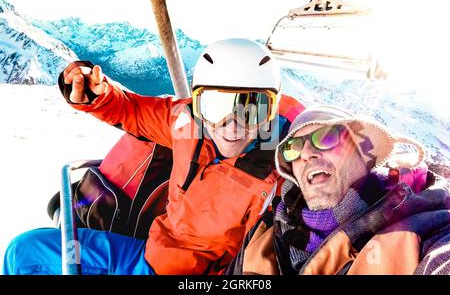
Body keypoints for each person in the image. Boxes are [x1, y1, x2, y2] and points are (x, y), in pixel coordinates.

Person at [3, 38, 304, 275]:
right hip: (145, 254)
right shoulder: (187, 123)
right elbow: (132, 110)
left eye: (253, 108)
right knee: (24, 252)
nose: (232, 125)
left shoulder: (281, 169)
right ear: (198, 102)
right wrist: (96, 94)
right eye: (215, 105)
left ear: (273, 109)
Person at [226, 105, 450, 275]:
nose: (305, 154)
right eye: (293, 148)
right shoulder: (266, 231)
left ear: (363, 153)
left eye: (326, 137)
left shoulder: (422, 232)